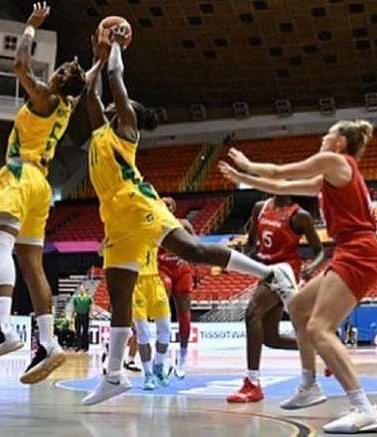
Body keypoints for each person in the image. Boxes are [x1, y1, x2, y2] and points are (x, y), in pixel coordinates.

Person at [81, 29, 297, 406]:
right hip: (113, 217)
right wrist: (96, 58)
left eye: (120, 104)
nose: (115, 106)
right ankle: (114, 375)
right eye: (114, 105)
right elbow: (91, 93)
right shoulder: (100, 129)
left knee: (192, 250)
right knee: (118, 297)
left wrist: (114, 46)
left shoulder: (126, 128)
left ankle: (270, 274)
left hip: (136, 202)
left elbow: (115, 80)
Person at [220, 120, 377, 433]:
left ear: (340, 142)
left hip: (360, 251)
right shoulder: (329, 179)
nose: (323, 137)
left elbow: (283, 172)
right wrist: (242, 177)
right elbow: (281, 188)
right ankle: (309, 385)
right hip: (351, 250)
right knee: (297, 306)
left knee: (319, 328)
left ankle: (363, 408)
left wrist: (248, 163)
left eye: (329, 133)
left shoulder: (336, 161)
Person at [0, 2, 90, 386]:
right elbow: (85, 82)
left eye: (62, 70)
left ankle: (4, 329)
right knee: (32, 266)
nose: (57, 71)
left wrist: (31, 28)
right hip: (42, 186)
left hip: (19, 175)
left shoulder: (46, 98)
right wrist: (102, 57)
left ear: (60, 81)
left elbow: (20, 65)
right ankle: (48, 343)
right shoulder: (68, 103)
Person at [227, 195, 325, 403]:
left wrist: (313, 266)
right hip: (266, 270)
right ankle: (322, 348)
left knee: (252, 313)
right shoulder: (260, 208)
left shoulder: (300, 216)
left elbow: (320, 251)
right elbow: (253, 242)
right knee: (271, 339)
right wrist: (241, 254)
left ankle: (252, 383)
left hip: (285, 270)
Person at [158, 197, 196, 379]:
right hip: (162, 267)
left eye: (169, 204)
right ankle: (163, 356)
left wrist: (187, 257)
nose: (166, 206)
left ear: (174, 208)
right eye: (163, 203)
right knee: (162, 311)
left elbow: (195, 246)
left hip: (182, 268)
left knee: (184, 313)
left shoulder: (184, 224)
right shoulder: (153, 225)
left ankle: (183, 356)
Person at [132, 246, 173, 391]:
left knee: (166, 329)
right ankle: (148, 374)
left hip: (155, 281)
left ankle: (159, 366)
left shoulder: (154, 228)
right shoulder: (127, 232)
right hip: (136, 283)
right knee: (143, 334)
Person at [73, 284, 92, 352]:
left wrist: (90, 314)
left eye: (82, 289)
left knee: (85, 332)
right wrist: (72, 316)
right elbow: (74, 307)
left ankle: (85, 347)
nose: (81, 290)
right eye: (80, 289)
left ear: (84, 290)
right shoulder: (76, 298)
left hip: (85, 315)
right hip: (78, 315)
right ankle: (78, 346)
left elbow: (91, 307)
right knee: (77, 331)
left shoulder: (88, 298)